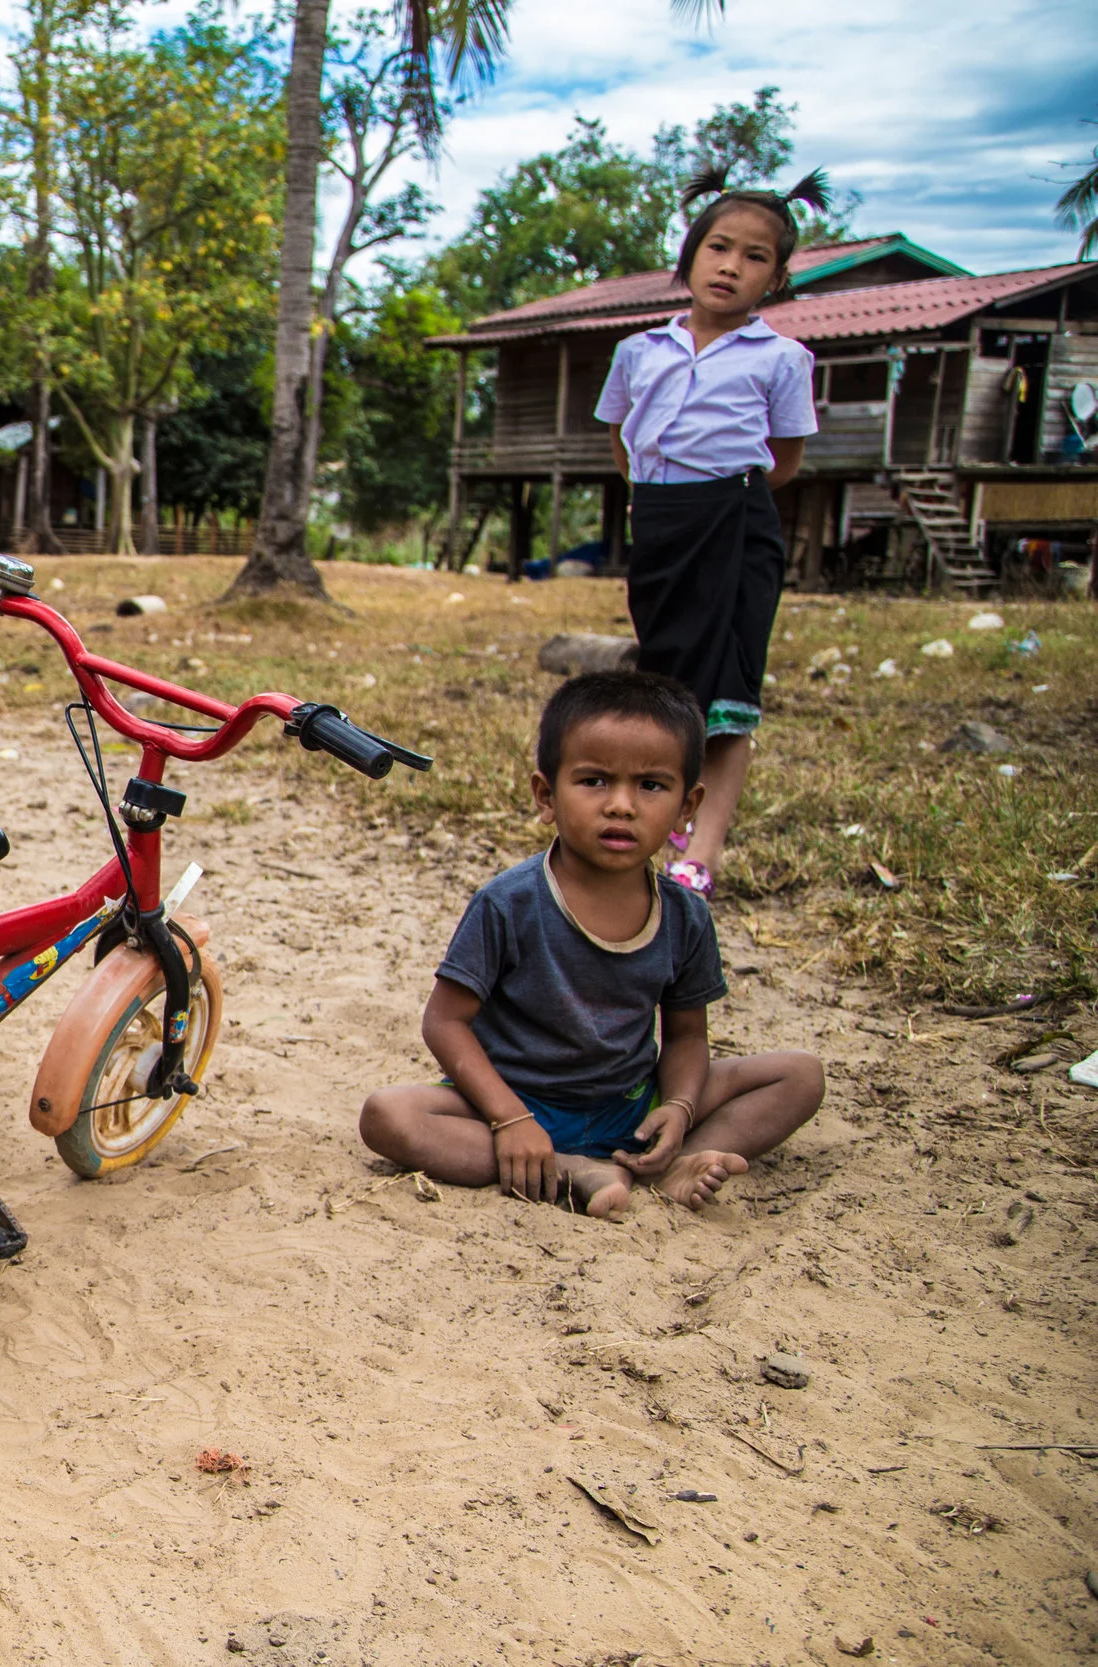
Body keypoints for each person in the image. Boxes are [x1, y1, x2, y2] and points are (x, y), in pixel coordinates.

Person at [357, 672, 824, 1217]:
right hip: (512, 1102)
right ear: (546, 795)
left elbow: (687, 1036)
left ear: (686, 806)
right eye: (595, 781)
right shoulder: (509, 903)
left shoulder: (684, 915)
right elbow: (445, 1022)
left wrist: (678, 1106)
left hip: (631, 1103)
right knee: (388, 1116)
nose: (621, 805)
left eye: (651, 785)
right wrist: (511, 1119)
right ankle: (566, 1166)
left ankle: (669, 1160)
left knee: (799, 1075)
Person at [593, 166, 830, 896]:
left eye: (756, 257)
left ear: (778, 279)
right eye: (719, 247)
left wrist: (721, 500)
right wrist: (655, 501)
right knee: (665, 684)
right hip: (660, 526)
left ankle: (704, 851)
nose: (732, 266)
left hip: (735, 522)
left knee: (727, 693)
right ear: (690, 255)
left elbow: (783, 461)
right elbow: (622, 439)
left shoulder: (782, 359)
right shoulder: (639, 350)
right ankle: (645, 829)